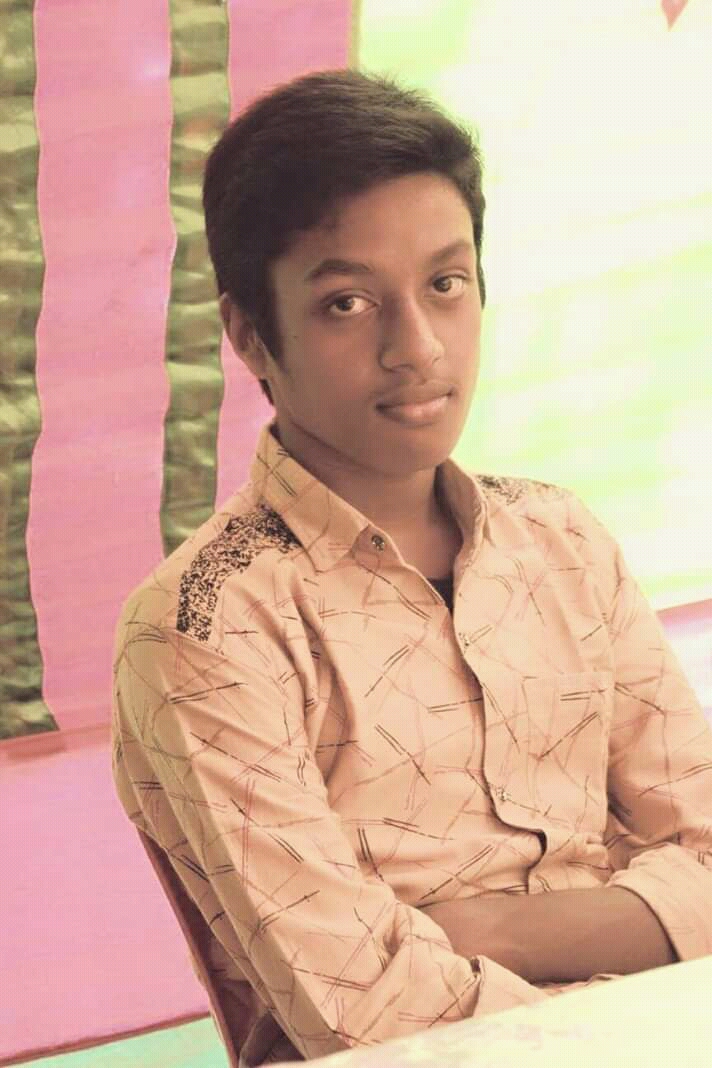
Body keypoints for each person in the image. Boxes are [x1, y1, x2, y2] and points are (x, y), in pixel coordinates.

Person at [111, 69, 712, 1066]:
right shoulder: (205, 629)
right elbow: (371, 1016)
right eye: (346, 303)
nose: (417, 348)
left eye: (445, 283)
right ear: (252, 335)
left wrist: (497, 929)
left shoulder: (560, 540)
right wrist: (635, 941)